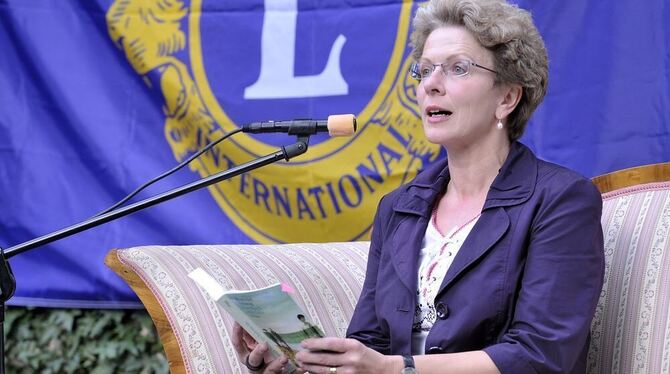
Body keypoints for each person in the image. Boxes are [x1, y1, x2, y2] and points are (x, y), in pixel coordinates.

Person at [233, 0, 605, 373]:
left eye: (457, 68)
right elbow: (371, 344)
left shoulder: (561, 200)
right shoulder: (398, 208)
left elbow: (540, 355)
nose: (431, 84)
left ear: (507, 97)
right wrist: (298, 359)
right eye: (424, 70)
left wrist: (397, 369)